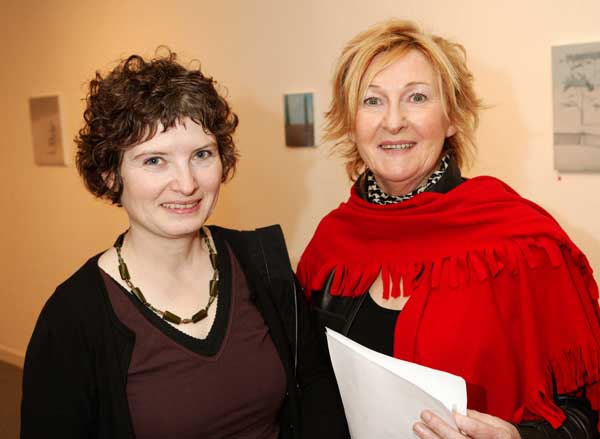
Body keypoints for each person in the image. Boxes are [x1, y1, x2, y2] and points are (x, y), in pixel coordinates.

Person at [297, 19, 600, 439]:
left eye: (416, 97)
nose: (393, 121)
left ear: (453, 118)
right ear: (350, 123)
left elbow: (584, 413)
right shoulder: (330, 245)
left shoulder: (522, 242)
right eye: (372, 101)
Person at [21, 51, 348, 439]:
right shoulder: (73, 319)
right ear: (110, 175)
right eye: (155, 160)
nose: (187, 183)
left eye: (201, 155)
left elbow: (316, 395)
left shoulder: (263, 265)